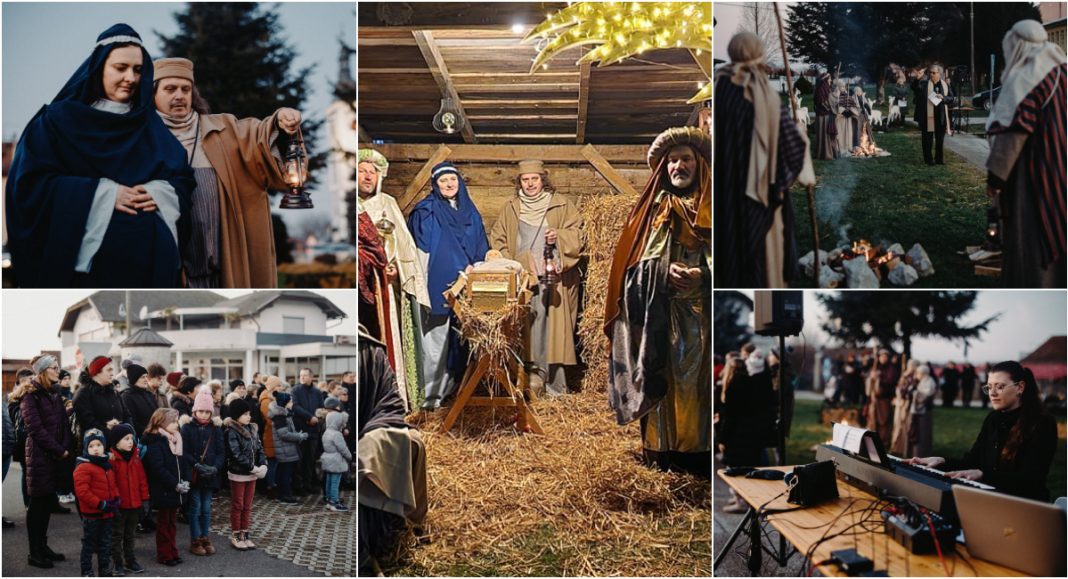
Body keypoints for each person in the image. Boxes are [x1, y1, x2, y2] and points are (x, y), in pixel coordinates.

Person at [4, 24, 193, 288]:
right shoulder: (56, 122)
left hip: (151, 265)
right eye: (121, 67)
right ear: (99, 66)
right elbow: (29, 185)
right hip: (88, 273)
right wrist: (102, 193)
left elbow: (182, 179)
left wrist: (160, 192)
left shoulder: (150, 127)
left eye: (138, 70)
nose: (131, 78)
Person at [605, 123, 711, 478]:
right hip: (657, 315)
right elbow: (631, 268)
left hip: (704, 316)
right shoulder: (653, 211)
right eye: (672, 161)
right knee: (658, 375)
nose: (678, 167)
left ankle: (697, 457)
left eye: (685, 160)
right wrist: (661, 273)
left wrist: (703, 274)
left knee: (695, 385)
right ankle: (660, 452)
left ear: (700, 165)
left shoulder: (714, 210)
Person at [153, 57, 300, 288]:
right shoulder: (142, 136)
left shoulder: (223, 129)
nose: (179, 95)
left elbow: (259, 135)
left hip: (223, 264)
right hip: (171, 269)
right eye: (170, 89)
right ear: (153, 94)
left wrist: (280, 121)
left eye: (185, 89)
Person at [714, 32, 814, 288]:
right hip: (759, 194)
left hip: (725, 189)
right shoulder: (764, 96)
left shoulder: (719, 87)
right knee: (764, 256)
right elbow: (792, 148)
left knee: (729, 244)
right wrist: (800, 132)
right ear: (758, 54)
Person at [489, 159, 585, 396]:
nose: (530, 184)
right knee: (527, 327)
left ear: (543, 180)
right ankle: (528, 379)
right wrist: (513, 265)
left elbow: (579, 236)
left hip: (555, 280)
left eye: (534, 179)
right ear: (519, 182)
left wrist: (559, 237)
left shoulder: (561, 205)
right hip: (524, 280)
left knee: (553, 328)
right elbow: (498, 239)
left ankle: (554, 383)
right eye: (525, 179)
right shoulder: (511, 208)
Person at [985, 20, 1066, 288]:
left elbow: (1013, 136)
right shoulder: (1062, 71)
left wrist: (995, 178)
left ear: (1016, 45)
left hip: (1037, 173)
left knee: (1033, 237)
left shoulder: (1027, 77)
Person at [907, 361, 1057, 501]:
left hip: (1027, 507)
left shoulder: (1042, 423)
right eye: (989, 387)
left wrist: (984, 475)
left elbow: (1030, 480)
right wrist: (941, 461)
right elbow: (972, 462)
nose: (992, 393)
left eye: (1000, 386)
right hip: (990, 500)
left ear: (1020, 387)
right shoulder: (993, 419)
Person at [408, 162, 490, 409]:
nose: (449, 185)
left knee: (459, 341)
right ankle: (430, 398)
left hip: (467, 286)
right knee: (435, 342)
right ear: (435, 184)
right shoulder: (427, 211)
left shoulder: (470, 212)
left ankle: (451, 392)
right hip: (438, 285)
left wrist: (476, 267)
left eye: (452, 180)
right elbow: (421, 251)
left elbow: (480, 246)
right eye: (443, 181)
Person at [358, 148, 430, 407]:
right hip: (358, 286)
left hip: (385, 287)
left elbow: (403, 245)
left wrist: (397, 267)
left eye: (373, 172)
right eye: (362, 171)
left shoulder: (387, 203)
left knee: (386, 339)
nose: (368, 177)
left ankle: (392, 396)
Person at [357, 330, 428, 576]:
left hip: (371, 425)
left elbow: (390, 400)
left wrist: (374, 428)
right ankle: (364, 550)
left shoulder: (371, 351)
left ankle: (408, 524)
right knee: (363, 462)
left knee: (413, 441)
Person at [21, 355, 75, 568]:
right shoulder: (30, 395)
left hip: (55, 456)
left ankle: (43, 547)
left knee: (45, 506)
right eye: (54, 368)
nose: (58, 370)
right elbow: (35, 429)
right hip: (39, 457)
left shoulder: (54, 393)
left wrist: (66, 448)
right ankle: (34, 552)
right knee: (37, 506)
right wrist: (58, 449)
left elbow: (63, 423)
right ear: (43, 371)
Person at [141, 408, 189, 567]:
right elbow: (158, 468)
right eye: (173, 422)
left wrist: (184, 480)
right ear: (162, 423)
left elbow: (181, 462)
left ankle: (172, 550)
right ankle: (164, 554)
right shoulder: (155, 441)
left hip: (175, 488)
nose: (177, 424)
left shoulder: (175, 438)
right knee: (163, 523)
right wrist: (175, 483)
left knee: (171, 522)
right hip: (164, 489)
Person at [180, 386, 224, 556]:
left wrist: (215, 467)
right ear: (195, 410)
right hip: (194, 473)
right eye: (201, 411)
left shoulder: (216, 428)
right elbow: (184, 452)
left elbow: (221, 452)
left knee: (206, 507)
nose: (204, 415)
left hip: (210, 474)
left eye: (207, 412)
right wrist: (196, 465)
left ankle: (205, 536)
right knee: (195, 506)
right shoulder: (187, 428)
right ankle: (195, 539)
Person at [73, 429, 120, 577]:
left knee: (105, 543)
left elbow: (113, 485)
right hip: (92, 514)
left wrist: (116, 498)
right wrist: (100, 504)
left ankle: (104, 569)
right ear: (86, 448)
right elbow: (82, 492)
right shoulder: (83, 467)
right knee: (89, 544)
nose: (95, 448)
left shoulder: (106, 465)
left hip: (107, 513)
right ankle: (87, 571)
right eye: (91, 446)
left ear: (104, 446)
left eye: (99, 445)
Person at [223, 398, 268, 551]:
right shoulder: (231, 431)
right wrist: (252, 467)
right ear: (236, 415)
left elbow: (259, 449)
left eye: (249, 413)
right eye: (245, 414)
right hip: (239, 473)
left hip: (252, 473)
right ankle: (236, 534)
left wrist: (263, 464)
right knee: (238, 504)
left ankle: (245, 532)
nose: (249, 416)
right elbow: (235, 454)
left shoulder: (253, 429)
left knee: (247, 505)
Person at [107, 423, 149, 575]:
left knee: (130, 535)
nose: (130, 441)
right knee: (117, 535)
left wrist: (144, 500)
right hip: (120, 505)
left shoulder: (136, 458)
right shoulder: (112, 461)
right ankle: (117, 562)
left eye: (131, 438)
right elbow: (112, 484)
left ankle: (130, 560)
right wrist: (115, 502)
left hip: (135, 504)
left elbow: (142, 480)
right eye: (126, 439)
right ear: (116, 442)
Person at [269, 391, 308, 505]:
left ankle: (283, 494)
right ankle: (285, 496)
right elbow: (284, 434)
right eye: (290, 401)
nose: (292, 403)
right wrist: (300, 436)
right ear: (285, 403)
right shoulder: (280, 416)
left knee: (284, 473)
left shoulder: (284, 413)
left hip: (287, 449)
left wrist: (296, 435)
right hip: (285, 450)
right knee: (285, 474)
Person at [910, 64, 953, 165]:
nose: (931, 74)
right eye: (930, 73)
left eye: (934, 73)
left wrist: (943, 98)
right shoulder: (924, 83)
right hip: (927, 116)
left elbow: (952, 98)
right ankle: (928, 160)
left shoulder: (945, 85)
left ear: (939, 74)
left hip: (940, 116)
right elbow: (914, 88)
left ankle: (939, 159)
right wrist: (917, 79)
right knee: (927, 140)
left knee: (940, 140)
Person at [290, 368, 324, 495]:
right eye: (301, 375)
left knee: (311, 460)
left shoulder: (317, 392)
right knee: (299, 460)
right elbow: (295, 406)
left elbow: (321, 408)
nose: (302, 377)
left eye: (305, 375)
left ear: (311, 377)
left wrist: (317, 418)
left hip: (314, 430)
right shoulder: (295, 390)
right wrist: (309, 417)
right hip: (300, 429)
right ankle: (298, 486)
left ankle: (308, 484)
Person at [73, 356, 125, 437]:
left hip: (120, 443)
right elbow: (87, 423)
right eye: (109, 370)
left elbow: (127, 415)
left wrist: (127, 431)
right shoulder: (83, 394)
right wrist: (106, 427)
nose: (112, 373)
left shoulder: (113, 391)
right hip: (97, 446)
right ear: (97, 372)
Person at [258, 376, 284, 497]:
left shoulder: (273, 398)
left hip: (276, 434)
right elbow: (270, 419)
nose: (281, 387)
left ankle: (274, 485)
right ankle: (270, 487)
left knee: (275, 462)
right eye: (278, 385)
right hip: (270, 435)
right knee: (272, 462)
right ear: (272, 386)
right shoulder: (266, 401)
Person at [321, 411, 352, 512]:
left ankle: (329, 500)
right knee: (335, 482)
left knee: (329, 480)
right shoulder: (337, 434)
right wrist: (349, 456)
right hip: (336, 460)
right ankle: (334, 502)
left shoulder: (326, 432)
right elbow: (343, 448)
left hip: (327, 458)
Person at [121, 364, 158, 440]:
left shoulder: (149, 394)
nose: (146, 380)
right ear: (134, 378)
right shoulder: (127, 396)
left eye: (146, 377)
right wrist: (148, 431)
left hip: (156, 435)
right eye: (142, 377)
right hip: (142, 438)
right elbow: (132, 421)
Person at [890, 359, 918, 456]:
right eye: (909, 365)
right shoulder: (904, 376)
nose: (911, 367)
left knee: (904, 426)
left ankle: (903, 448)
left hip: (907, 405)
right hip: (900, 403)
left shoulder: (915, 378)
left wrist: (903, 395)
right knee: (897, 425)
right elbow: (898, 388)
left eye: (913, 365)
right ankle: (895, 447)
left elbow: (910, 391)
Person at [909, 364, 937, 458]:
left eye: (918, 373)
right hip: (921, 412)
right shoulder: (922, 381)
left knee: (923, 434)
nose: (917, 375)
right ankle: (917, 453)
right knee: (919, 433)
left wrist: (914, 393)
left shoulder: (929, 382)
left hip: (925, 412)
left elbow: (923, 398)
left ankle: (922, 454)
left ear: (923, 373)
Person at [813, 72, 838, 159]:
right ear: (826, 80)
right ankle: (825, 153)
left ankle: (827, 151)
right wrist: (831, 107)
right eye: (830, 79)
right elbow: (823, 102)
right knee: (825, 134)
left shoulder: (826, 88)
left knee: (826, 134)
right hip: (823, 116)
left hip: (825, 115)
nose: (830, 80)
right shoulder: (821, 89)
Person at [833, 79, 857, 157]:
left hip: (847, 118)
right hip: (840, 119)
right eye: (841, 87)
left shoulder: (848, 95)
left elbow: (853, 105)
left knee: (848, 133)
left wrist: (850, 111)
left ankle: (847, 147)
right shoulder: (835, 95)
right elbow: (834, 105)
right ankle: (840, 148)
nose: (843, 88)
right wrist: (842, 111)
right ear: (838, 87)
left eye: (844, 86)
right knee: (840, 133)